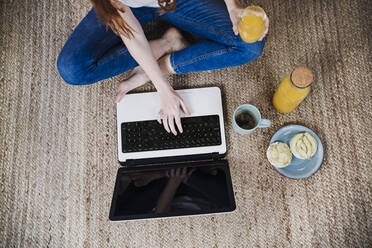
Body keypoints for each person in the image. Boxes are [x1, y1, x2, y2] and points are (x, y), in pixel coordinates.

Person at [57, 0, 269, 135]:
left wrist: (233, 5)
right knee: (72, 69)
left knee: (250, 46)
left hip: (179, 2)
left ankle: (165, 62)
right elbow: (131, 33)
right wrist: (162, 88)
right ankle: (167, 43)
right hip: (130, 8)